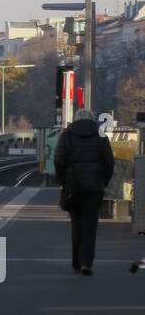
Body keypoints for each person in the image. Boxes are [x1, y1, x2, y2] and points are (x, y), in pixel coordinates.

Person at [54, 108, 114, 276]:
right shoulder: (101, 135)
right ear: (93, 119)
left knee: (76, 225)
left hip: (74, 187)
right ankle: (87, 263)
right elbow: (109, 162)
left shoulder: (67, 135)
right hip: (95, 188)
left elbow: (58, 160)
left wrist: (63, 181)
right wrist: (104, 181)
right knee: (90, 226)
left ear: (76, 119)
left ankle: (76, 263)